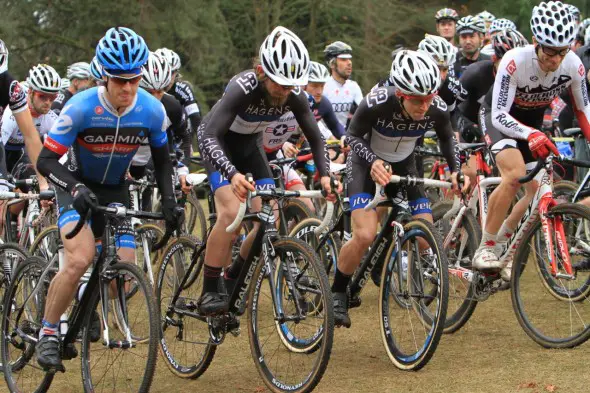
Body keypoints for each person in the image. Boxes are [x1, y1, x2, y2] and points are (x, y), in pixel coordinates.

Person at [34, 27, 180, 371]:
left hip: (115, 187)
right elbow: (45, 160)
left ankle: (86, 306)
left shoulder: (151, 110)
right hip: (77, 185)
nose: (127, 88)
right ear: (104, 77)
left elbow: (162, 161)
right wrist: (74, 188)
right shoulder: (81, 106)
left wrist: (170, 200)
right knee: (80, 258)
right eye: (119, 80)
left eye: (133, 79)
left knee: (123, 269)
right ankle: (48, 332)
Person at [195, 26, 337, 315]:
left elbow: (316, 136)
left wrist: (325, 174)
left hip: (250, 146)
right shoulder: (243, 87)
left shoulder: (293, 94)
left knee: (264, 219)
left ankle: (234, 274)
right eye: (279, 84)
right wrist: (232, 174)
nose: (285, 92)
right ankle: (209, 289)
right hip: (218, 143)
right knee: (230, 212)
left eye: (290, 85)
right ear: (262, 71)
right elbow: (210, 135)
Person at [333, 50, 462, 327]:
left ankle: (383, 263)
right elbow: (352, 136)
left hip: (405, 164)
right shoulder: (377, 102)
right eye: (417, 100)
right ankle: (337, 292)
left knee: (427, 237)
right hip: (366, 164)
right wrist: (373, 161)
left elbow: (447, 139)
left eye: (429, 98)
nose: (424, 106)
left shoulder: (435, 107)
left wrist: (456, 170)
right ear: (401, 94)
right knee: (365, 234)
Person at [473, 1, 590, 282]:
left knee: (538, 190)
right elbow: (499, 114)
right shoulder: (515, 61)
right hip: (499, 119)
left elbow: (583, 111)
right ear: (536, 42)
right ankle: (485, 247)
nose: (555, 60)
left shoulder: (573, 65)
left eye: (562, 51)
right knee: (514, 174)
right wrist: (530, 134)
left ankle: (505, 246)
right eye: (550, 51)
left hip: (531, 124)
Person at [155, 47, 202, 144]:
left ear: (177, 73)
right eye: (164, 70)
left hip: (179, 134)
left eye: (172, 72)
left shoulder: (182, 88)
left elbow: (195, 118)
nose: (167, 76)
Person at [322, 41, 363, 129]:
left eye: (349, 59)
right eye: (344, 59)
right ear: (332, 64)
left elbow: (364, 113)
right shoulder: (322, 87)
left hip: (344, 136)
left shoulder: (354, 86)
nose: (349, 63)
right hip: (323, 138)